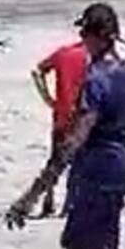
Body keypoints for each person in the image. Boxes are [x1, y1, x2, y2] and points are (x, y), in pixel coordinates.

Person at [6, 2, 125, 249]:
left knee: (83, 245)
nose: (81, 39)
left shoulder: (96, 80)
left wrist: (32, 194)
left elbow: (74, 141)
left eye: (84, 33)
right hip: (120, 165)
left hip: (95, 168)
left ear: (97, 36)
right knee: (103, 241)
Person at [31, 34, 88, 217]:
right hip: (84, 119)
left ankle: (48, 201)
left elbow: (37, 72)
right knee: (80, 163)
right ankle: (69, 204)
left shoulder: (63, 53)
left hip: (61, 116)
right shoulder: (95, 58)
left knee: (55, 161)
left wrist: (48, 99)